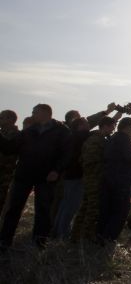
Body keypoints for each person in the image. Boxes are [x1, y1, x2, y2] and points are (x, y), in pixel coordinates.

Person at [0, 104, 70, 249]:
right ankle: (4, 241)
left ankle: (38, 244)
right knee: (13, 209)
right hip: (23, 176)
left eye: (34, 112)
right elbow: (10, 148)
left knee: (43, 211)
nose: (32, 115)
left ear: (45, 113)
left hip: (46, 178)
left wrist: (56, 171)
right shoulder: (28, 131)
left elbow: (67, 154)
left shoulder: (61, 131)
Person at [70, 115, 117, 243]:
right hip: (93, 178)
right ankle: (85, 236)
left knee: (85, 207)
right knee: (93, 208)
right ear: (105, 126)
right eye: (112, 127)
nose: (112, 130)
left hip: (91, 178)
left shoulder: (98, 139)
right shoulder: (95, 140)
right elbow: (88, 161)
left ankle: (76, 236)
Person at [99, 117, 131, 242]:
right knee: (121, 210)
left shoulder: (112, 138)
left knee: (106, 209)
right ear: (127, 127)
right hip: (121, 180)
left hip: (108, 178)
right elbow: (129, 157)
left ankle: (100, 235)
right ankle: (109, 238)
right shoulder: (125, 139)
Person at [51, 117, 91, 239]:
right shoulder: (80, 136)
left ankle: (56, 231)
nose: (88, 126)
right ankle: (63, 234)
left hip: (69, 175)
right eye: (86, 124)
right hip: (77, 175)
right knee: (71, 206)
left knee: (64, 205)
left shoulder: (71, 137)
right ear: (80, 126)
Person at [0, 110, 19, 216]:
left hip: (5, 174)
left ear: (10, 119)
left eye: (1, 117)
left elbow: (8, 150)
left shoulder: (16, 135)